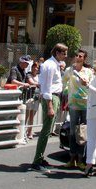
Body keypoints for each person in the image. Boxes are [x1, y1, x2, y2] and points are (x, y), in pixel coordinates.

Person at [31, 43, 67, 172]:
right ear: (57, 53)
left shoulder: (54, 64)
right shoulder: (50, 65)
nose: (66, 56)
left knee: (48, 129)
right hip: (51, 98)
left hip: (54, 97)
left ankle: (40, 158)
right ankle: (37, 160)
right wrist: (50, 106)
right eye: (64, 53)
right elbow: (46, 87)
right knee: (46, 130)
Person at [63, 50, 93, 169]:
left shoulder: (88, 72)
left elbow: (92, 85)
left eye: (80, 56)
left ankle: (81, 159)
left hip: (85, 104)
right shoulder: (69, 70)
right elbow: (64, 82)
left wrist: (87, 83)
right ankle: (71, 158)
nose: (78, 57)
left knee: (83, 132)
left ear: (84, 59)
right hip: (73, 104)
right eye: (76, 55)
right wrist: (66, 91)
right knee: (72, 131)